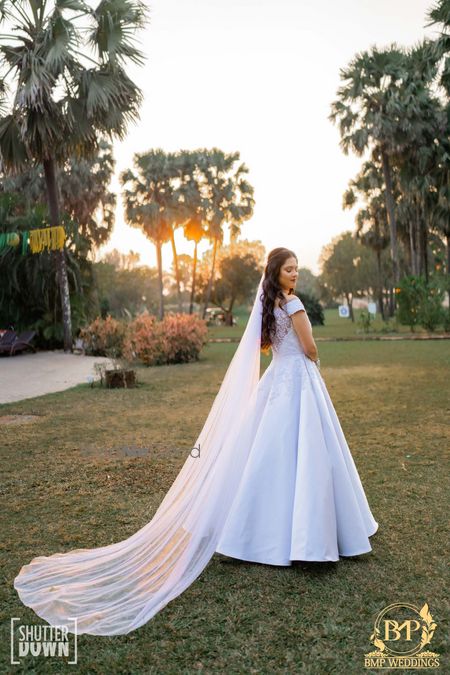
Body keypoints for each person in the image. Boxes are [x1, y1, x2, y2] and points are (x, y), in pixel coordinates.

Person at [14, 247, 378, 637]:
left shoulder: (268, 304)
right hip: (298, 381)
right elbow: (309, 347)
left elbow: (263, 347)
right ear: (277, 273)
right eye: (290, 270)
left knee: (270, 457)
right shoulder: (293, 304)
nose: (296, 275)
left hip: (276, 382)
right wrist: (312, 361)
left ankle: (257, 533)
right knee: (303, 455)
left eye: (297, 269)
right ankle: (306, 538)